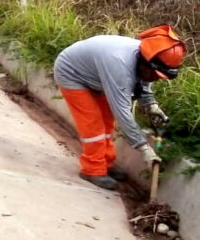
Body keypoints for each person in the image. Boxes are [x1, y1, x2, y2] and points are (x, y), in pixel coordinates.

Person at [53, 25, 185, 190]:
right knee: (93, 125)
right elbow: (123, 113)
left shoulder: (144, 58)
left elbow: (143, 79)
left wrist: (151, 104)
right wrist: (143, 147)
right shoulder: (120, 64)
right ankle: (92, 169)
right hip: (72, 74)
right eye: (155, 75)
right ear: (146, 62)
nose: (154, 79)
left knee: (107, 123)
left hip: (97, 76)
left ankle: (105, 163)